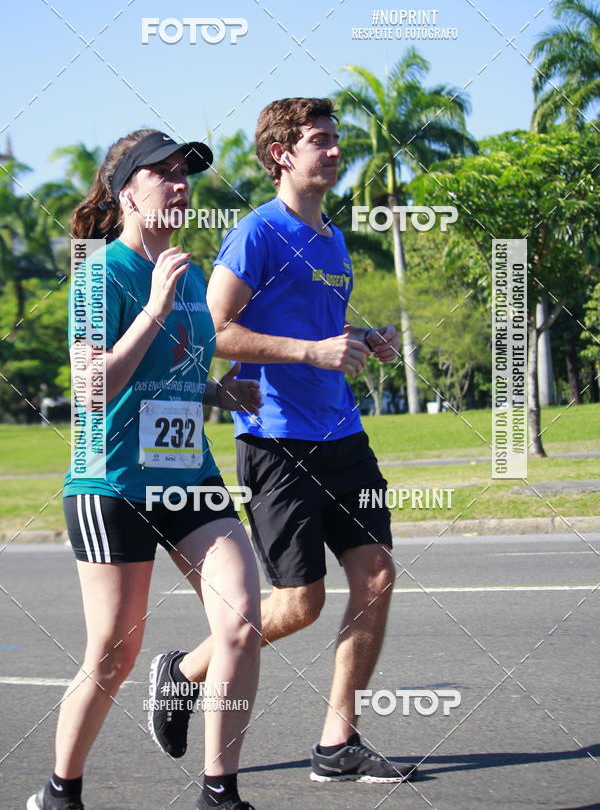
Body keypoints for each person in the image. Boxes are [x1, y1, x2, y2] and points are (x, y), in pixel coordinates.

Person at [149, 99, 418, 784]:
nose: (335, 150)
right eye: (320, 141)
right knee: (301, 602)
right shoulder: (257, 234)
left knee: (377, 577)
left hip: (343, 434)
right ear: (281, 155)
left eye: (336, 140)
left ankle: (337, 742)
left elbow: (324, 335)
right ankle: (184, 670)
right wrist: (310, 352)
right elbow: (213, 332)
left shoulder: (331, 239)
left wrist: (364, 342)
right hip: (277, 442)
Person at [28, 129, 261, 810]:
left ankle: (220, 795)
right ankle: (59, 792)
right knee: (113, 655)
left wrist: (219, 391)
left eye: (186, 172)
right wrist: (153, 307)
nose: (180, 182)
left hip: (187, 474)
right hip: (114, 483)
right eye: (163, 172)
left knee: (241, 622)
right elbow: (92, 388)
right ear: (127, 189)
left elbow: (173, 371)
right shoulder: (102, 274)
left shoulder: (187, 271)